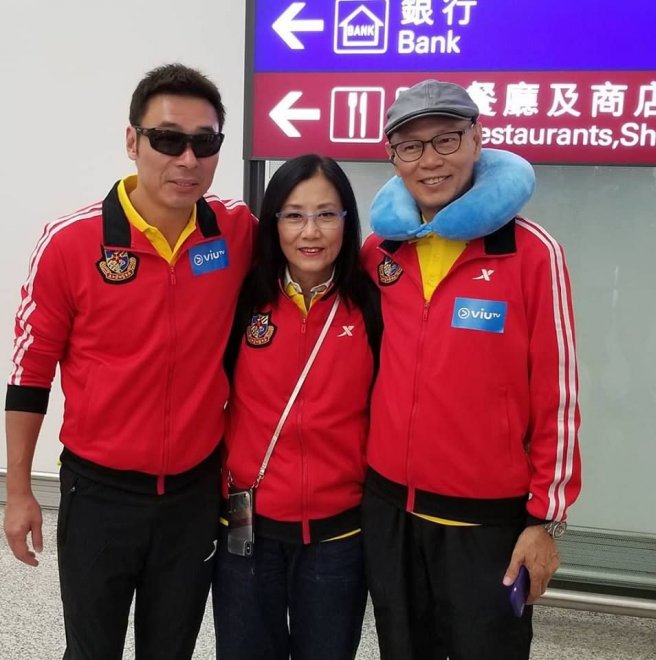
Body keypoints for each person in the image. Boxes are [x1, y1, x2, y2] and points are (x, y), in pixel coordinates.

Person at [3, 63, 255, 659]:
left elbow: (314, 240)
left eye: (204, 143)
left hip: (194, 495)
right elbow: (30, 372)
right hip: (99, 495)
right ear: (132, 141)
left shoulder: (235, 231)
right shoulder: (71, 243)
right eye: (167, 139)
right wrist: (18, 490)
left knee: (170, 650)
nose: (187, 159)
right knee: (91, 650)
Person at [360, 79, 582, 659]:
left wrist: (545, 520)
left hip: (486, 527)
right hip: (391, 512)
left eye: (447, 140)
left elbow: (558, 395)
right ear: (393, 158)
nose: (430, 160)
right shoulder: (380, 253)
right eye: (411, 146)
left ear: (478, 140)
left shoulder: (532, 254)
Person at [212, 154, 381, 660]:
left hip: (339, 534)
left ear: (347, 220)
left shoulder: (371, 304)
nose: (311, 232)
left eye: (327, 214)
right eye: (294, 215)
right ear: (273, 223)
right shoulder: (244, 300)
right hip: (248, 530)